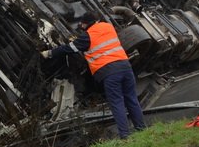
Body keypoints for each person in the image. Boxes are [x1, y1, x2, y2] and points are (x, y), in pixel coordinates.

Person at [41, 11, 146, 139]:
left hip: (110, 72)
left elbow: (69, 48)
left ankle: (125, 135)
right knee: (131, 98)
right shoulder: (108, 27)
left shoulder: (87, 37)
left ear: (86, 24)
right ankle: (141, 129)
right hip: (125, 67)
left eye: (82, 24)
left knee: (117, 102)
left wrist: (49, 53)